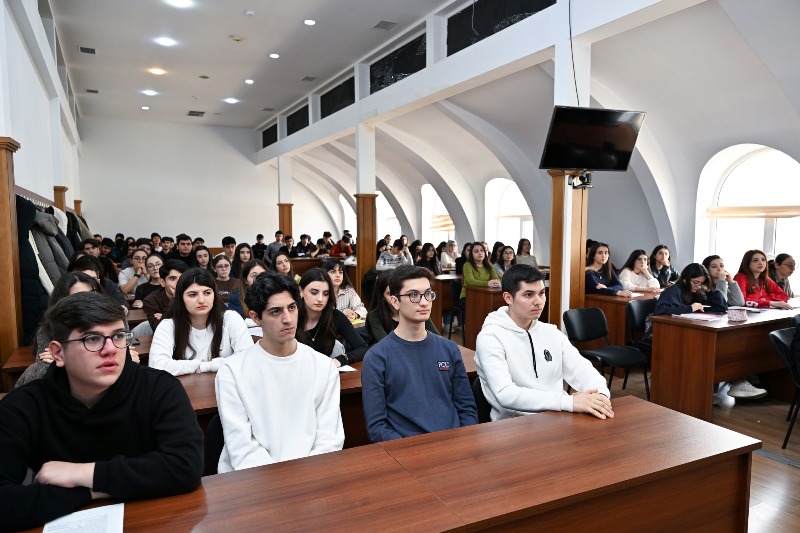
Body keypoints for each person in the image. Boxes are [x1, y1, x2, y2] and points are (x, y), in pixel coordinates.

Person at [0, 292, 203, 530]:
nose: (110, 349)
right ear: (58, 353)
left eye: (118, 336)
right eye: (92, 339)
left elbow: (185, 465)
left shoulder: (159, 388)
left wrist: (83, 475)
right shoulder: (24, 406)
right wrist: (88, 492)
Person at [215, 272, 344, 472]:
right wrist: (283, 483)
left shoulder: (323, 367)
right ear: (255, 317)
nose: (287, 319)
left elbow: (329, 440)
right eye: (275, 311)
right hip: (251, 479)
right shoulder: (232, 372)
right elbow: (242, 449)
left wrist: (303, 480)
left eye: (292, 308)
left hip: (312, 475)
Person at [476, 264, 613, 420]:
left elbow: (581, 369)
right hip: (514, 425)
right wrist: (568, 402)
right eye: (528, 295)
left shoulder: (551, 332)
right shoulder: (490, 337)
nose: (538, 301)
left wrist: (600, 394)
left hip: (557, 418)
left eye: (541, 293)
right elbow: (505, 394)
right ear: (508, 298)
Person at [361, 266, 477, 442]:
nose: (424, 302)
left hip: (454, 444)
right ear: (395, 301)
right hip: (407, 449)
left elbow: (467, 409)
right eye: (413, 295)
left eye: (428, 294)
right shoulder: (377, 357)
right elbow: (377, 427)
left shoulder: (449, 349)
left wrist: (461, 442)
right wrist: (413, 451)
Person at [15, 272, 140, 389]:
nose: (88, 301)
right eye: (79, 297)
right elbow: (45, 371)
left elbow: (129, 358)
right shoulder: (49, 328)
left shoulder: (115, 320)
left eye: (92, 294)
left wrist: (68, 360)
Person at [149, 268, 253, 375]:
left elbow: (248, 359)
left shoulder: (230, 318)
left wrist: (205, 366)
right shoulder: (168, 325)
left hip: (225, 383)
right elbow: (157, 366)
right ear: (181, 298)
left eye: (207, 293)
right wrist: (197, 365)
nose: (201, 300)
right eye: (192, 295)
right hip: (184, 385)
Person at [296, 268, 369, 367]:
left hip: (324, 372)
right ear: (301, 291)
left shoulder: (335, 316)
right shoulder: (290, 316)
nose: (320, 299)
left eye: (325, 294)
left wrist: (339, 360)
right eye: (314, 293)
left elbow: (363, 348)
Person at [366, 270, 439, 343]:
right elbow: (384, 344)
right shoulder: (375, 315)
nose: (395, 297)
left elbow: (437, 339)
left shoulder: (415, 310)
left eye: (398, 292)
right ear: (382, 297)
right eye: (390, 293)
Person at [653, 263, 727, 316]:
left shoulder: (699, 292)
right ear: (685, 280)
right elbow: (660, 310)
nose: (699, 286)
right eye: (696, 282)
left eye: (701, 283)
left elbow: (721, 308)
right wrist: (690, 308)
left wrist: (709, 290)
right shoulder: (673, 291)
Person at [143, 259, 188, 332]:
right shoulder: (151, 301)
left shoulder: (193, 295)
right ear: (162, 282)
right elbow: (159, 329)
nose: (179, 283)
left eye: (182, 278)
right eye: (173, 279)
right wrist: (174, 299)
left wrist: (165, 317)